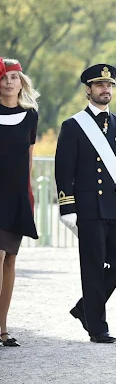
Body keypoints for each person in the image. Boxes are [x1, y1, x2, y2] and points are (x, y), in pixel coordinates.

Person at [55, 64, 116, 343]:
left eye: (110, 85)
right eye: (100, 85)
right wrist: (67, 206)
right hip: (88, 207)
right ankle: (97, 326)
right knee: (92, 266)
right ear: (88, 90)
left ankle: (85, 309)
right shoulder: (73, 126)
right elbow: (64, 169)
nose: (106, 89)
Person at [0, 57, 39, 347]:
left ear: (21, 81)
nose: (9, 82)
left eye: (14, 77)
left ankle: (2, 329)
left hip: (17, 197)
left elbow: (30, 158)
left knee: (10, 261)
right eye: (4, 78)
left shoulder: (31, 115)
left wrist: (29, 195)